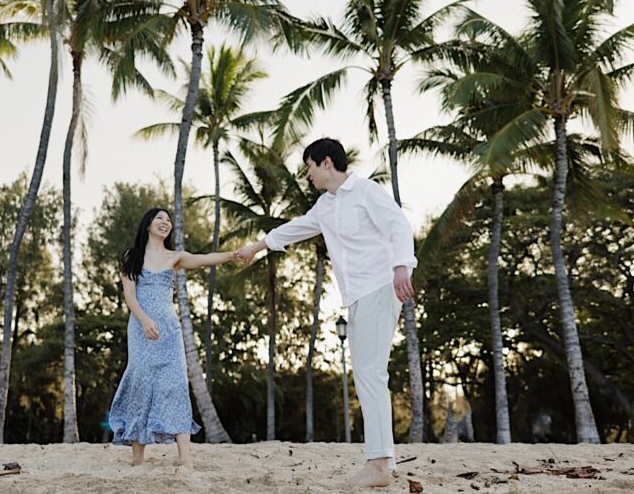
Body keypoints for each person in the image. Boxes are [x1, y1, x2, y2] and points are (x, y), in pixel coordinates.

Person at [235, 138, 416, 488]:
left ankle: (379, 465)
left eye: (309, 167)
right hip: (357, 296)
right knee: (367, 374)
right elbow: (296, 228)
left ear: (327, 163)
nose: (308, 175)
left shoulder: (365, 191)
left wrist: (401, 266)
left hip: (380, 286)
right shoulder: (324, 205)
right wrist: (257, 246)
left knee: (370, 374)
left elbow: (399, 225)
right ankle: (381, 460)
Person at [107, 207, 238, 468]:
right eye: (159, 218)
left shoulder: (175, 257)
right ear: (148, 225)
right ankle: (137, 458)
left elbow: (204, 259)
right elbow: (130, 296)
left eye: (168, 220)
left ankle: (185, 458)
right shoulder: (131, 257)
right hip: (141, 328)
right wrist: (145, 321)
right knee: (140, 385)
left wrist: (232, 255)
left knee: (176, 385)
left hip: (169, 330)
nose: (165, 222)